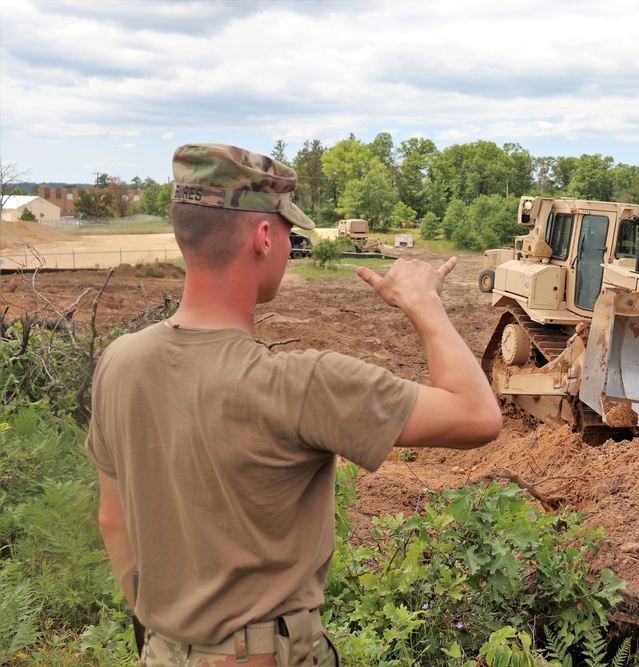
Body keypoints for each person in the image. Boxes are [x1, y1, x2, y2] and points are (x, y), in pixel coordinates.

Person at [86, 143, 502, 666]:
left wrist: (169, 638)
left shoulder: (120, 362)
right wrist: (424, 304)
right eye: (289, 233)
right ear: (263, 238)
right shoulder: (302, 383)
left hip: (161, 652)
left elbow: (113, 521)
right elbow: (478, 415)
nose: (290, 246)